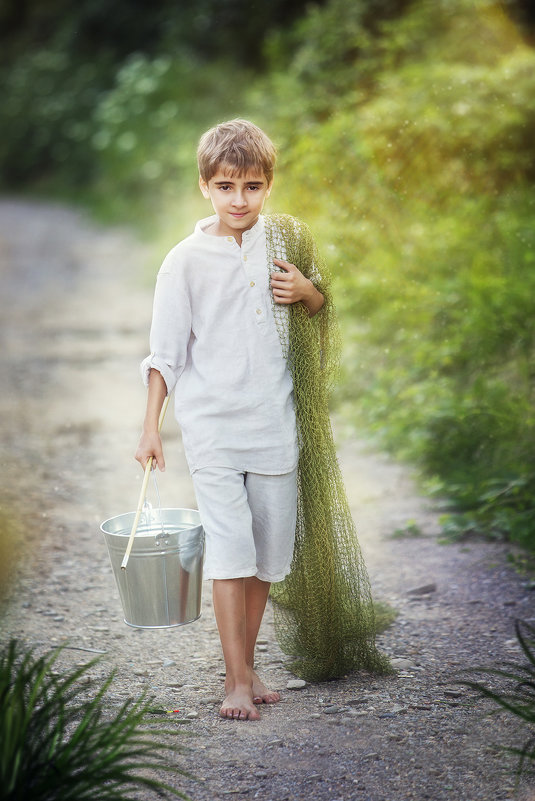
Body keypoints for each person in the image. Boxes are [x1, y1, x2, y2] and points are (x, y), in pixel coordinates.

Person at [135, 119, 325, 721]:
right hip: (212, 425)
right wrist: (150, 429)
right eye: (225, 187)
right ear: (204, 188)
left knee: (267, 556)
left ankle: (247, 660)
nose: (238, 200)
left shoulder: (285, 244)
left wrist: (308, 292)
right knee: (230, 553)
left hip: (274, 420)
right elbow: (164, 352)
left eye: (250, 186)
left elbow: (322, 308)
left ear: (268, 185)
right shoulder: (184, 261)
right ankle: (236, 680)